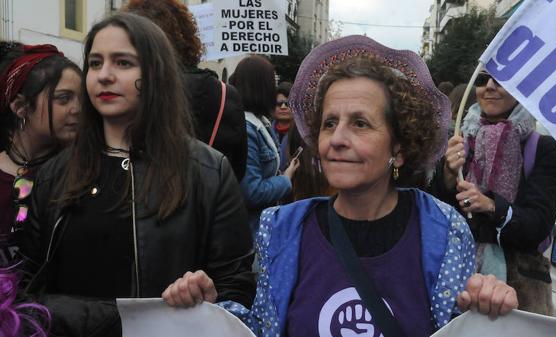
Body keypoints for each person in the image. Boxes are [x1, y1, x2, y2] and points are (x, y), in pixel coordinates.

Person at [167, 36, 519, 336]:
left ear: (398, 148)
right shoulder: (283, 229)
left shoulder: (442, 230)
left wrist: (486, 311)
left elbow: (458, 326)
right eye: (329, 122)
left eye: (360, 124)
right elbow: (261, 327)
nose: (336, 139)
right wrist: (211, 308)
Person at [18, 12, 255, 336]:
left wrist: (208, 293)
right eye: (96, 63)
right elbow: (26, 282)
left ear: (156, 75)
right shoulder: (53, 173)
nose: (104, 75)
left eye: (123, 63)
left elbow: (236, 288)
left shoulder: (208, 171)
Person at [430, 70, 556, 315]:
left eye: (501, 81)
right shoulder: (460, 141)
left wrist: (491, 205)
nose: (490, 87)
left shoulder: (542, 149)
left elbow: (538, 225)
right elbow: (436, 214)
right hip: (458, 281)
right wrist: (448, 176)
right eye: (482, 80)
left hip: (519, 292)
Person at [122, 0, 247, 181]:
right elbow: (237, 170)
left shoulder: (129, 89)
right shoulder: (224, 95)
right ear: (186, 35)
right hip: (207, 200)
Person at [0, 42, 80, 266]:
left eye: (82, 99)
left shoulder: (81, 174)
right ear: (20, 107)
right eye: (64, 98)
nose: (78, 109)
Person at [230, 55, 299, 231]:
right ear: (261, 86)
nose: (274, 88)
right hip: (251, 231)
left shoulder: (260, 121)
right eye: (271, 81)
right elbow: (252, 192)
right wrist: (286, 179)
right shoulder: (247, 128)